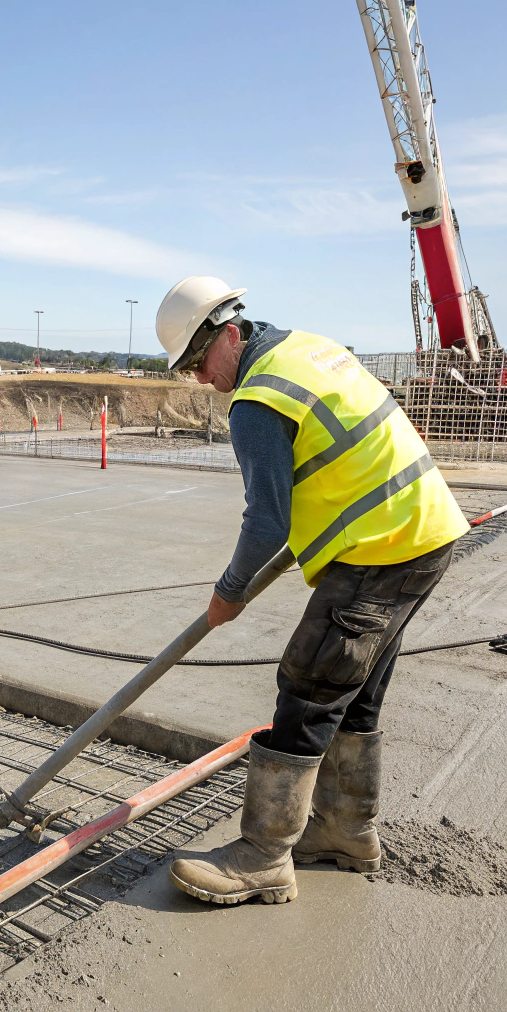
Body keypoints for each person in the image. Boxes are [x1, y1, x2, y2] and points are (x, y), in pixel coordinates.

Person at [156, 276, 469, 905]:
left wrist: (230, 592)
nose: (197, 379)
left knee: (310, 685)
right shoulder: (309, 349)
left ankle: (264, 854)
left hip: (381, 548)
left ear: (231, 332)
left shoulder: (257, 401)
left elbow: (266, 519)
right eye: (186, 368)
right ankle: (347, 832)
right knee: (354, 694)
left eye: (198, 361)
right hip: (422, 529)